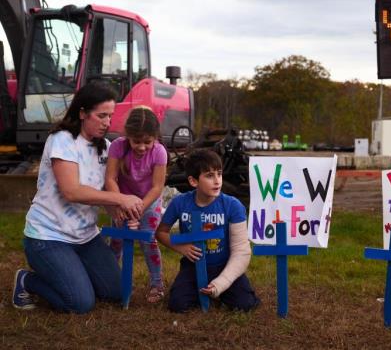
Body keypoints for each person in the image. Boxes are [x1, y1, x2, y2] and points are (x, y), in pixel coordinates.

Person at [12, 82, 144, 313]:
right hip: (48, 236)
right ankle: (26, 280)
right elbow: (71, 191)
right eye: (101, 115)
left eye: (110, 116)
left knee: (116, 291)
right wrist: (121, 199)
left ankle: (74, 273)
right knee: (80, 303)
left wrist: (123, 214)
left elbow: (106, 194)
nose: (107, 122)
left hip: (86, 237)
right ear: (82, 113)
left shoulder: (107, 147)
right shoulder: (63, 140)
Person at [156, 149, 260, 312]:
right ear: (193, 181)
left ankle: (218, 290)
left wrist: (222, 283)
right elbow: (161, 233)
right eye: (209, 176)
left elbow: (242, 251)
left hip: (224, 265)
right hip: (193, 265)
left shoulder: (233, 205)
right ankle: (202, 291)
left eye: (219, 174)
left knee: (245, 304)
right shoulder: (180, 203)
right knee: (177, 305)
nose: (217, 181)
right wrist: (181, 247)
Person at [105, 106, 167, 303]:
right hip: (121, 200)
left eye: (147, 142)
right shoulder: (117, 147)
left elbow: (157, 187)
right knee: (117, 240)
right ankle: (110, 280)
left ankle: (157, 283)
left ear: (155, 137)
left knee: (148, 238)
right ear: (127, 136)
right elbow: (110, 179)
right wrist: (120, 203)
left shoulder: (159, 152)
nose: (141, 147)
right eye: (136, 142)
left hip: (149, 201)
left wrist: (139, 208)